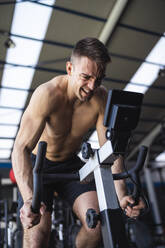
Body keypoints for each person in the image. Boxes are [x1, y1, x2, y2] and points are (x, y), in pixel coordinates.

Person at [12, 37, 144, 248]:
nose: (92, 86)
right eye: (86, 77)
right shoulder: (47, 94)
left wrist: (122, 196)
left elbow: (110, 151)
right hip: (40, 166)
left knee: (97, 224)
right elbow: (21, 148)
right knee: (36, 236)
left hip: (71, 165)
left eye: (99, 79)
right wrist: (29, 199)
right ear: (70, 68)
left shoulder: (101, 98)